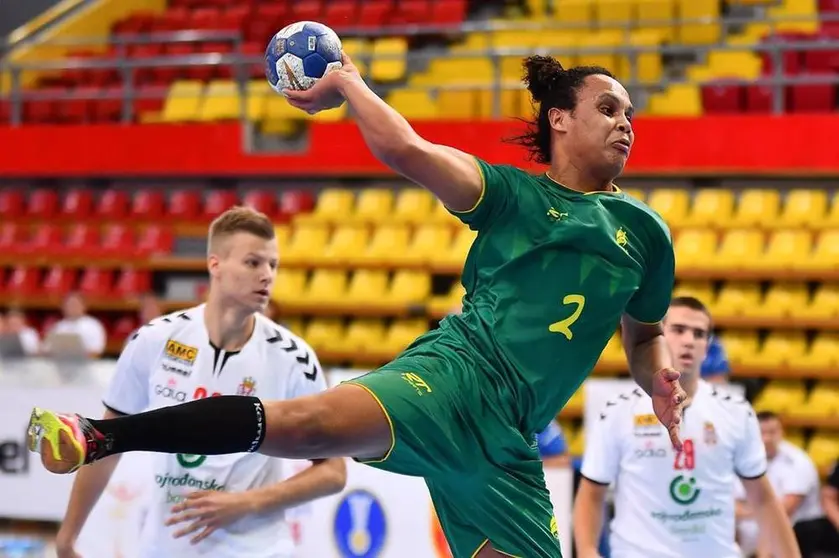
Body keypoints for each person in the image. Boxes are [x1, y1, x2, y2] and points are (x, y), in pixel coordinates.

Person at [27, 55, 687, 558]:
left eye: (629, 114)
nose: (624, 123)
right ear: (560, 118)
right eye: (608, 108)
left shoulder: (646, 235)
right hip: (454, 380)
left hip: (508, 445)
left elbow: (643, 334)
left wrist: (654, 377)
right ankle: (102, 435)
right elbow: (406, 150)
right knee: (310, 424)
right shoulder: (511, 197)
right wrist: (344, 81)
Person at [51, 207, 346, 558]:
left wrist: (247, 503)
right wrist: (68, 538)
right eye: (253, 263)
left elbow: (334, 471)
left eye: (273, 265)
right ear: (215, 264)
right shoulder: (153, 339)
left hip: (256, 548)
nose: (267, 275)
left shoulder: (294, 358)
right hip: (163, 547)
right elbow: (105, 444)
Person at [572, 296, 800, 558]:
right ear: (658, 339)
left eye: (699, 334)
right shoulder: (618, 412)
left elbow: (763, 499)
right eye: (679, 330)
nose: (689, 340)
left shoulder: (736, 411)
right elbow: (591, 492)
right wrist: (588, 552)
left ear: (707, 347)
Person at [737, 411, 832, 558]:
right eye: (762, 432)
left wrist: (749, 511)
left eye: (772, 432)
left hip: (798, 529)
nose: (767, 438)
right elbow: (732, 504)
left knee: (772, 525)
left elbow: (786, 508)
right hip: (755, 523)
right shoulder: (743, 458)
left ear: (782, 431)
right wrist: (752, 512)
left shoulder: (798, 461)